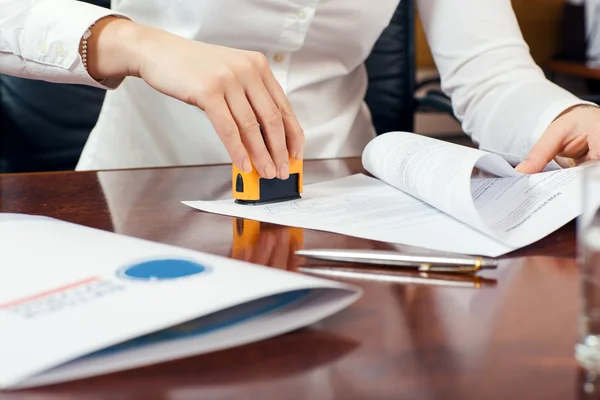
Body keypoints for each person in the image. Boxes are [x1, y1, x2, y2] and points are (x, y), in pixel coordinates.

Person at [1, 0, 598, 177]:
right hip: (144, 191)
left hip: (346, 205)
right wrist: (137, 44)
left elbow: (492, 75)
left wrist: (564, 115)